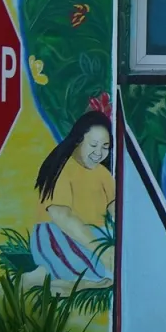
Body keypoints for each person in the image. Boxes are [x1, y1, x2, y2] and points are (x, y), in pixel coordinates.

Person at [25, 110, 115, 295]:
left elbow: (116, 210)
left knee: (116, 270)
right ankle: (41, 276)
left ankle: (66, 285)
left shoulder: (103, 174)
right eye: (93, 145)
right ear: (78, 140)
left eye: (105, 147)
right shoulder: (62, 168)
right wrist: (101, 251)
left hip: (92, 233)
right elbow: (62, 217)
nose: (99, 153)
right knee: (102, 268)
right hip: (58, 233)